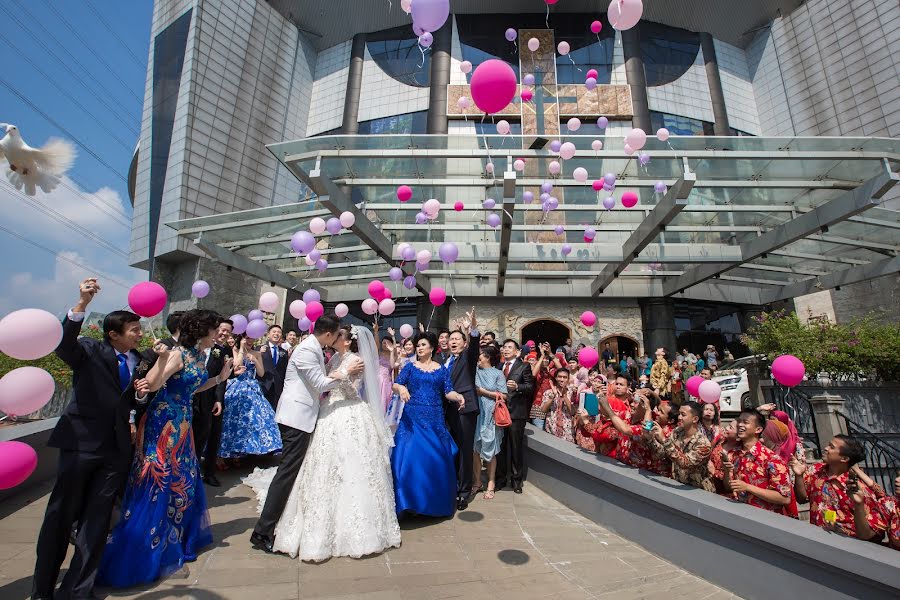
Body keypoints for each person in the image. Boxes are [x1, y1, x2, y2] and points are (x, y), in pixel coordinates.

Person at [32, 279, 154, 600]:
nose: (139, 334)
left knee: (97, 523)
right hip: (81, 444)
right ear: (113, 334)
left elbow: (133, 401)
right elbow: (64, 345)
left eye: (139, 329)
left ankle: (78, 590)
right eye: (134, 330)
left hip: (116, 451)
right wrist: (81, 304)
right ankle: (43, 590)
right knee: (61, 516)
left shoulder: (138, 361)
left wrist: (141, 398)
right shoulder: (89, 350)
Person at [98, 309, 234, 587]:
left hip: (183, 425)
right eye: (213, 330)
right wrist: (161, 359)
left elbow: (191, 388)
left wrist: (220, 378)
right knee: (158, 481)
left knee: (182, 481)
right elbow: (154, 384)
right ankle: (146, 547)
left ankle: (174, 538)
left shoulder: (198, 355)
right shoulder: (176, 354)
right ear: (201, 331)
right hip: (163, 425)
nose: (217, 335)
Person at [245, 325, 400, 560]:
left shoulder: (355, 359)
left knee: (347, 468)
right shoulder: (326, 354)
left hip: (346, 412)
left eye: (341, 336)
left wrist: (344, 373)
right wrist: (341, 372)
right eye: (335, 334)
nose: (336, 338)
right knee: (301, 468)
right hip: (311, 414)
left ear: (347, 342)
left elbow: (344, 386)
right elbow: (323, 383)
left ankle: (269, 527)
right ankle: (266, 528)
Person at [249, 314, 363, 553]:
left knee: (290, 472)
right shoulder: (306, 351)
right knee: (286, 473)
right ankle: (262, 531)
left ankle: (271, 525)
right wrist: (346, 371)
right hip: (296, 419)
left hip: (303, 417)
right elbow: (321, 384)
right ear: (330, 334)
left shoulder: (313, 348)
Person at [391, 332, 466, 517]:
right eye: (418, 345)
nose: (419, 348)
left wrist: (457, 396)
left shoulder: (441, 369)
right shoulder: (409, 367)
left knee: (435, 459)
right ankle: (407, 502)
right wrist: (401, 388)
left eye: (423, 344)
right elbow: (396, 384)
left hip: (434, 419)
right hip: (412, 418)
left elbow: (448, 391)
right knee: (408, 458)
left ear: (432, 348)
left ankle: (431, 504)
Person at [790, 436, 886, 539]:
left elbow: (873, 532)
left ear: (844, 458)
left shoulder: (857, 488)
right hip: (817, 539)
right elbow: (801, 499)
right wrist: (799, 475)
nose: (826, 448)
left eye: (831, 447)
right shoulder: (815, 471)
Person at [218, 335, 283, 460]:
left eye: (252, 339)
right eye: (247, 338)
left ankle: (249, 451)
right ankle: (231, 452)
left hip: (252, 385)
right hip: (238, 385)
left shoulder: (257, 353)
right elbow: (236, 366)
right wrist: (241, 349)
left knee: (257, 416)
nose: (249, 341)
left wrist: (255, 359)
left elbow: (261, 373)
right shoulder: (236, 350)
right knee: (233, 416)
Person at [443, 311, 482, 509]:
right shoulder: (445, 362)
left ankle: (464, 492)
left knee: (465, 451)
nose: (454, 341)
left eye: (458, 338)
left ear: (464, 343)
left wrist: (472, 327)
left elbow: (475, 344)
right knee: (451, 450)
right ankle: (451, 487)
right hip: (447, 412)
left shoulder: (467, 358)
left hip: (465, 410)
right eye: (451, 339)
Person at [723, 409, 791, 514]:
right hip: (739, 514)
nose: (740, 425)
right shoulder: (733, 454)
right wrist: (727, 472)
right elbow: (729, 487)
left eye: (745, 422)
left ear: (758, 429)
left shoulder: (772, 459)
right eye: (739, 421)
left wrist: (748, 487)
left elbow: (784, 498)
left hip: (765, 519)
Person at [193, 317, 232, 487]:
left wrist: (218, 399)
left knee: (211, 434)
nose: (224, 334)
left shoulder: (222, 351)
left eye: (228, 332)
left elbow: (222, 379)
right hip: (191, 396)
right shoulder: (194, 348)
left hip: (210, 397)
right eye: (222, 330)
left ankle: (208, 472)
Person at [495, 339, 535, 494]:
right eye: (504, 347)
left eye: (509, 347)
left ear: (518, 352)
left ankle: (517, 481)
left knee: (516, 448)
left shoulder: (524, 366)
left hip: (516, 413)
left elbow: (530, 387)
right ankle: (500, 479)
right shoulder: (498, 367)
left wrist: (518, 387)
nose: (505, 350)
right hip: (500, 412)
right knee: (500, 447)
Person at [647, 402, 715, 491]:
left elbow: (685, 463)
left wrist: (664, 440)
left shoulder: (703, 444)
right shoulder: (677, 432)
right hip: (678, 485)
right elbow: (661, 454)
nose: (679, 417)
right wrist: (650, 439)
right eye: (679, 414)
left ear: (695, 419)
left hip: (698, 490)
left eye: (683, 415)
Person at [473, 345, 507, 500]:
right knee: (476, 450)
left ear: (487, 356)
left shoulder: (498, 374)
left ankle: (491, 482)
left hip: (492, 415)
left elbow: (504, 396)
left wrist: (483, 392)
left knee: (491, 450)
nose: (478, 357)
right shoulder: (474, 371)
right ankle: (478, 481)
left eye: (480, 354)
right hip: (477, 414)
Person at [541, 368, 577, 443]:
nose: (562, 379)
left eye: (564, 377)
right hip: (552, 429)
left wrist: (564, 396)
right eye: (560, 377)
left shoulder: (572, 393)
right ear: (556, 378)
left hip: (567, 431)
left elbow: (573, 412)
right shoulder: (549, 392)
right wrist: (552, 397)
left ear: (568, 379)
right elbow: (543, 410)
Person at [259, 324, 288, 409]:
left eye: (279, 332)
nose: (276, 334)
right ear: (268, 334)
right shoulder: (260, 349)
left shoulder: (284, 352)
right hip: (263, 385)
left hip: (277, 388)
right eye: (274, 332)